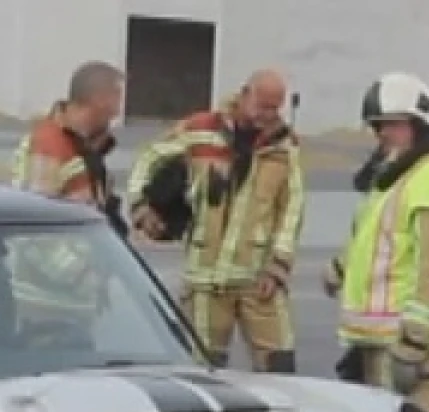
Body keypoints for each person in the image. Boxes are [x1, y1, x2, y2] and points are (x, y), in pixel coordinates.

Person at [325, 72, 429, 412]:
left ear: (420, 123)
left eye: (393, 124)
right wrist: (339, 269)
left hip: (408, 336)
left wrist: (413, 342)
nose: (383, 133)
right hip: (382, 333)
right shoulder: (397, 170)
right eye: (378, 126)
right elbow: (370, 233)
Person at [126, 70, 305, 372]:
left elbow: (292, 209)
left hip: (259, 279)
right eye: (263, 106)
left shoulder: (284, 147)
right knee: (204, 368)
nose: (269, 116)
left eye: (276, 108)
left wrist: (279, 265)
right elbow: (150, 157)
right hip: (205, 281)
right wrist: (140, 206)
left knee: (280, 364)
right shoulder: (200, 129)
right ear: (245, 94)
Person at [9, 61, 127, 344]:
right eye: (116, 99)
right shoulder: (49, 145)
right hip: (47, 306)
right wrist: (80, 272)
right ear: (99, 99)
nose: (118, 112)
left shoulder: (84, 148)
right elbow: (32, 227)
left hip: (70, 305)